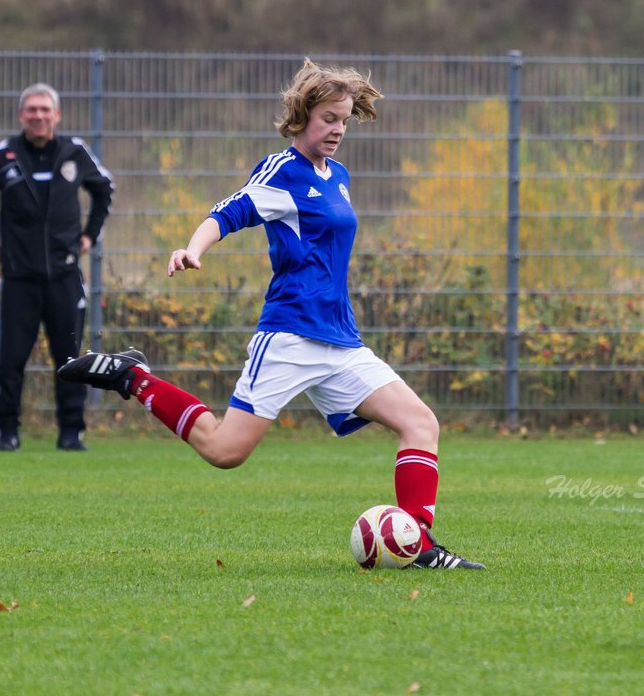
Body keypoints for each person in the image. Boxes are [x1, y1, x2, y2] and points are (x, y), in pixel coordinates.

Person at [60, 59, 485, 569]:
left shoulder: (339, 176)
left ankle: (418, 544)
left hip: (343, 342)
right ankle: (133, 378)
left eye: (345, 120)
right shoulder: (283, 171)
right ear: (303, 115)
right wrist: (192, 248)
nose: (338, 130)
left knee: (420, 423)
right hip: (289, 337)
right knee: (224, 451)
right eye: (329, 118)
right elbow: (230, 211)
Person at [0, 83, 114, 451]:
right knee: (11, 359)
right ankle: (7, 431)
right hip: (18, 277)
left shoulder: (74, 152)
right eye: (31, 110)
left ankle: (71, 432)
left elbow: (104, 188)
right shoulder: (4, 154)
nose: (38, 115)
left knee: (69, 358)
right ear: (21, 115)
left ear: (56, 115)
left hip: (64, 275)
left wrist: (90, 235)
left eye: (45, 110)